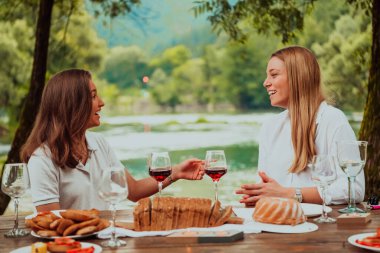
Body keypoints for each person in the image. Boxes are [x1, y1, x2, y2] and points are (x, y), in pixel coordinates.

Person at [21, 69, 204, 212]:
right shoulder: (42, 159)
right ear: (72, 105)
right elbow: (50, 223)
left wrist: (177, 172)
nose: (101, 103)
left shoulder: (99, 143)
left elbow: (133, 191)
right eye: (93, 96)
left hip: (104, 239)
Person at [236, 46, 365, 206]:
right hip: (278, 223)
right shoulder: (269, 127)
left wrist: (292, 194)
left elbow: (354, 189)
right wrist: (257, 196)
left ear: (298, 77)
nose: (265, 83)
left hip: (322, 226)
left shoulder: (333, 120)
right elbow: (267, 188)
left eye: (274, 75)